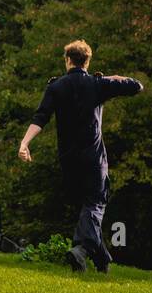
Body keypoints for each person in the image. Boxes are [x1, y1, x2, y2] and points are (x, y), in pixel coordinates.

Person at [18, 40, 142, 273]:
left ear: (67, 60)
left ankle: (102, 260)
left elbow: (41, 117)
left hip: (68, 160)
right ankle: (81, 250)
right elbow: (137, 86)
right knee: (96, 203)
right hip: (93, 159)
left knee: (87, 208)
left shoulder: (56, 87)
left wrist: (25, 143)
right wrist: (113, 78)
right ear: (87, 61)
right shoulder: (97, 84)